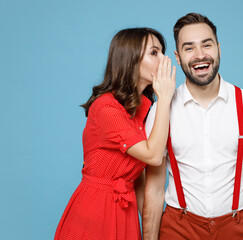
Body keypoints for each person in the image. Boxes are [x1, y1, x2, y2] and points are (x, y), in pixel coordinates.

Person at [143, 13, 243, 240]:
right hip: (178, 227)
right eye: (189, 48)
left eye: (206, 45)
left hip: (236, 227)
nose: (200, 55)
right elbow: (154, 191)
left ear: (219, 49)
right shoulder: (161, 111)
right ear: (177, 56)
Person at [54, 28, 176, 240]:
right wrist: (164, 97)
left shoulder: (143, 109)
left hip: (124, 211)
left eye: (162, 52)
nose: (164, 59)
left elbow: (138, 177)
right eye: (154, 53)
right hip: (94, 211)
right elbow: (154, 155)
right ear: (131, 59)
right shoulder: (105, 108)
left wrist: (153, 230)